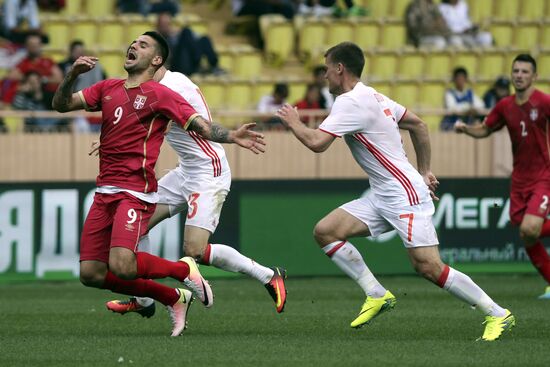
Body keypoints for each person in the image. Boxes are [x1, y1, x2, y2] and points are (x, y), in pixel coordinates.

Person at [276, 41, 514, 341]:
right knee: (326, 231)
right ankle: (376, 293)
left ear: (339, 69)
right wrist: (424, 170)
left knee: (428, 266)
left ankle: (497, 313)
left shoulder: (350, 102)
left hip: (403, 194)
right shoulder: (372, 94)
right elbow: (419, 125)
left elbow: (317, 143)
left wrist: (294, 122)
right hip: (383, 194)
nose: (324, 76)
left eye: (326, 70)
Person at [51, 31, 266, 336]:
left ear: (156, 60)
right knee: (91, 273)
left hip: (135, 192)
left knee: (124, 265)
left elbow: (199, 125)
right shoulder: (108, 88)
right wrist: (72, 74)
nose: (133, 45)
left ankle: (183, 271)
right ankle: (172, 297)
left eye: (142, 44)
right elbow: (61, 105)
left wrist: (231, 135)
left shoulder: (162, 94)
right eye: (133, 42)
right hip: (104, 192)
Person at [104, 65, 288, 318]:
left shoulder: (173, 87)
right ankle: (144, 299)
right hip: (185, 172)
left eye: (142, 45)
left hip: (208, 172)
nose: (133, 51)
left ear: (156, 59)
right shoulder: (158, 86)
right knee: (135, 227)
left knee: (195, 251)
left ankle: (268, 275)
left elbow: (159, 126)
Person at [455, 54, 550, 300]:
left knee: (531, 228)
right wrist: (466, 129)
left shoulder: (543, 102)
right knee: (526, 234)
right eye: (516, 70)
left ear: (534, 76)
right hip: (519, 179)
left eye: (525, 71)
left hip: (543, 176)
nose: (519, 75)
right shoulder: (505, 105)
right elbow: (486, 129)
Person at [58, 40, 106, 132]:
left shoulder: (92, 66)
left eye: (81, 51)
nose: (79, 53)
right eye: (77, 51)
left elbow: (104, 80)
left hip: (90, 99)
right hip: (73, 100)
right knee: (81, 127)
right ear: (71, 51)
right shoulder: (63, 66)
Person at [440, 67, 485, 131]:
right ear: (454, 80)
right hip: (451, 127)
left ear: (466, 80)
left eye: (462, 78)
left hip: (466, 126)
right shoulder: (449, 93)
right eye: (458, 79)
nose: (460, 81)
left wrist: (473, 109)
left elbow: (481, 105)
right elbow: (452, 108)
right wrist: (468, 108)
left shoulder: (470, 93)